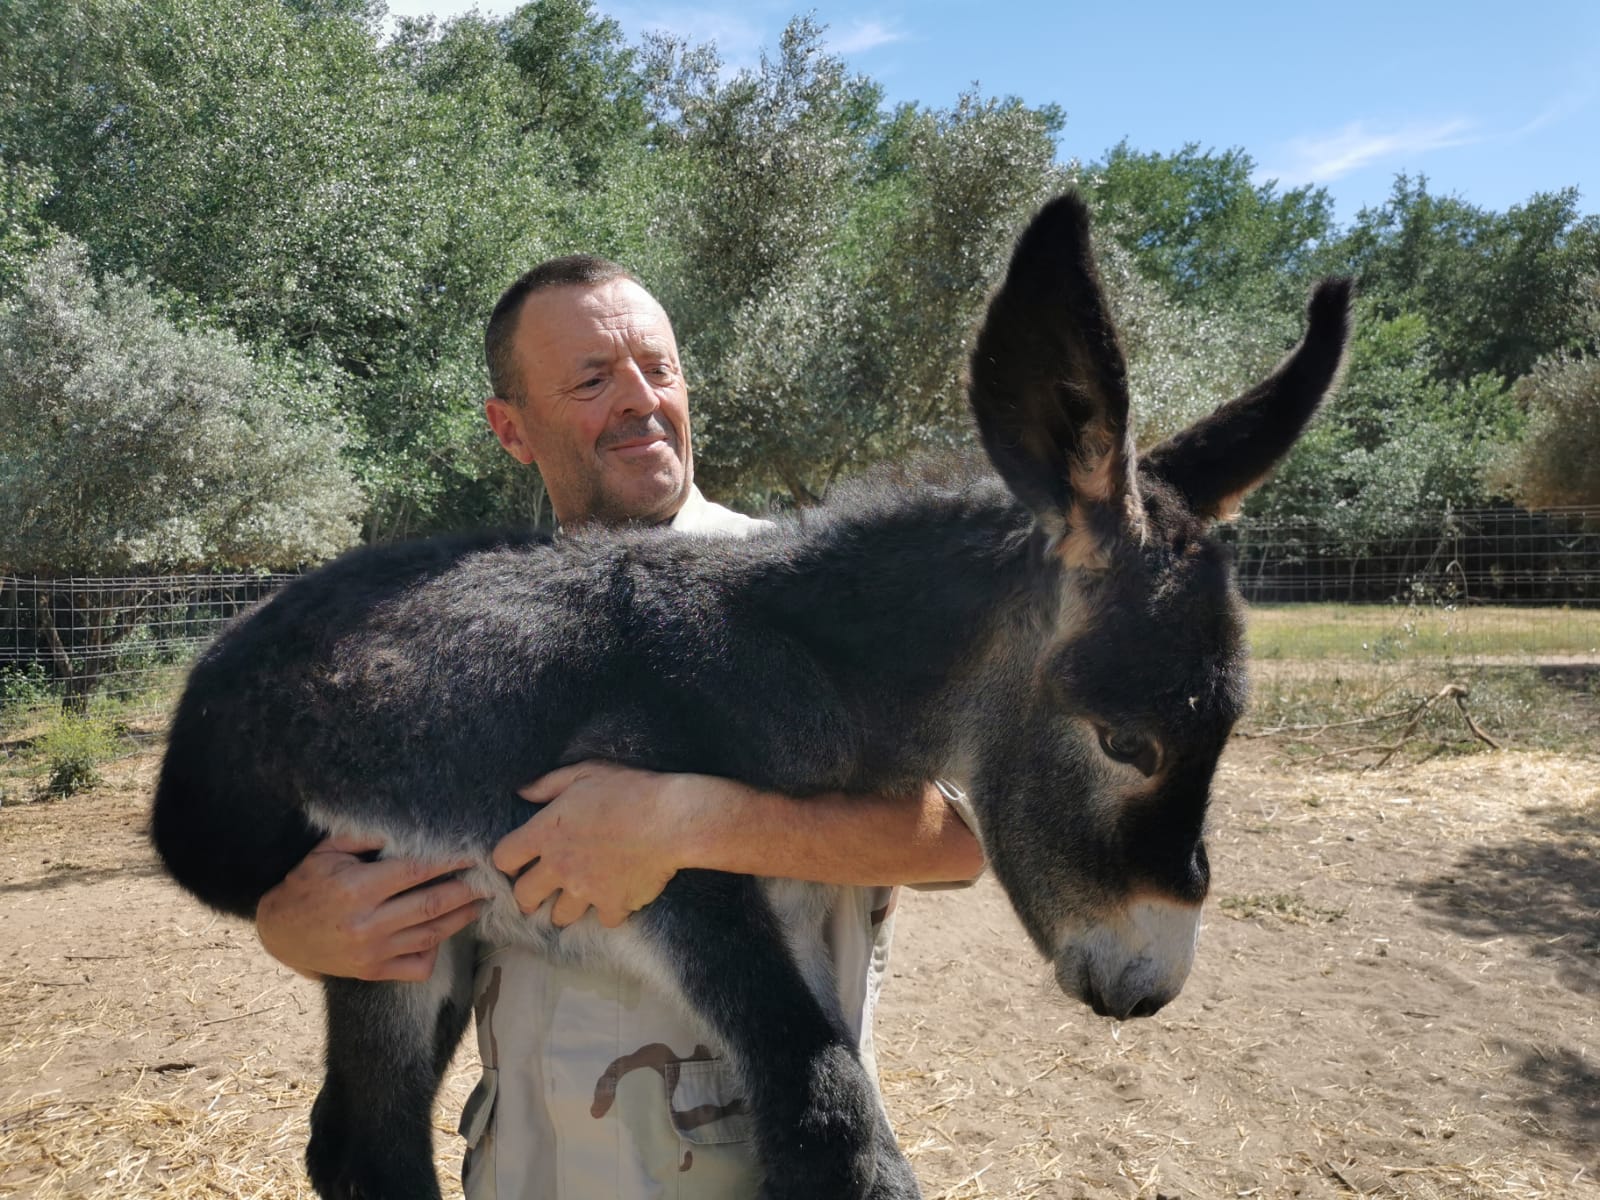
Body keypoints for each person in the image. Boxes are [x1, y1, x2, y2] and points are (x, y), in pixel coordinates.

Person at [254, 255, 985, 1199]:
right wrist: (293, 927)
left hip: (749, 1169)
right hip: (526, 1171)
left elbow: (963, 834)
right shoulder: (468, 637)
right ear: (510, 428)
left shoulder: (814, 591)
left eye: (659, 368)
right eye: (594, 379)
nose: (641, 400)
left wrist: (683, 822)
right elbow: (392, 883)